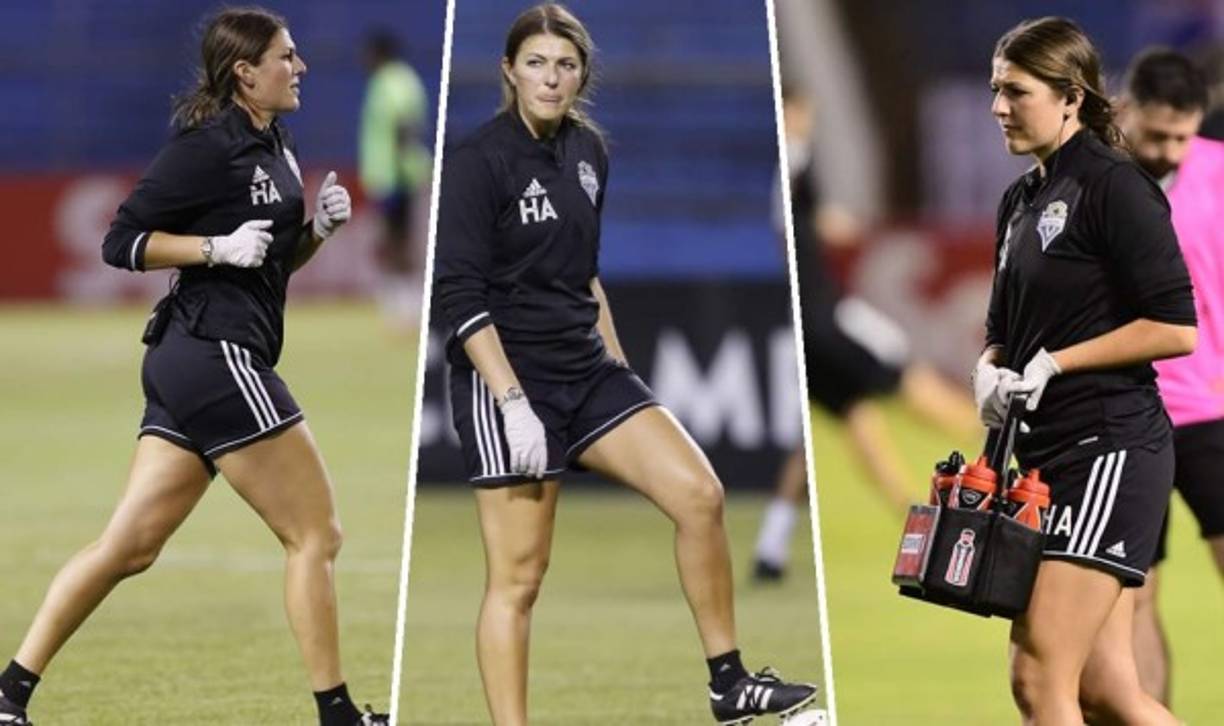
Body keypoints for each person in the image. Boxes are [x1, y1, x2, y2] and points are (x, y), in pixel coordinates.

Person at [432, 4, 818, 724]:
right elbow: (459, 296)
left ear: (583, 76)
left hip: (586, 370)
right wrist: (511, 401)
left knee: (700, 496)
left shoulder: (588, 152)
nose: (552, 78)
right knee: (520, 578)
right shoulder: (476, 160)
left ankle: (728, 684)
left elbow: (585, 275)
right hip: (507, 381)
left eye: (566, 65)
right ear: (510, 71)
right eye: (538, 63)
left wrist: (621, 372)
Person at [0, 9, 385, 725]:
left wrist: (317, 234)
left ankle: (6, 696)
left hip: (194, 360)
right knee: (316, 535)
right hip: (215, 354)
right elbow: (120, 240)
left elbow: (271, 262)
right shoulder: (207, 146)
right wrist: (209, 250)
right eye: (286, 56)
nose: (299, 67)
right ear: (246, 71)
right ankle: (338, 716)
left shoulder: (278, 144)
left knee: (130, 546)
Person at [977, 17, 1196, 725]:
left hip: (1108, 447)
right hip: (1044, 458)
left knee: (1039, 677)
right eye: (994, 89)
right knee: (1107, 693)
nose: (998, 107)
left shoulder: (1116, 188)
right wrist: (991, 371)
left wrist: (1055, 362)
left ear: (1071, 97)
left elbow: (1175, 327)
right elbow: (1002, 332)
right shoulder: (1020, 201)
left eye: (1016, 90)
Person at [753, 87, 979, 581]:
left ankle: (774, 544)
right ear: (791, 111)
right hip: (828, 314)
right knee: (910, 377)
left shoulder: (782, 171)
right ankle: (999, 451)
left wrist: (829, 227)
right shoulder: (793, 154)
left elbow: (803, 222)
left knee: (852, 418)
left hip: (801, 326)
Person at [1114, 47, 1224, 706]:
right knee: (1134, 594)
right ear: (1127, 110)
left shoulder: (1219, 173)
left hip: (1211, 406)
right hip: (1124, 412)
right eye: (1157, 135)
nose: (1171, 150)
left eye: (1184, 135)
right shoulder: (1092, 178)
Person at [359, 30, 432, 333]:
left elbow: (405, 126)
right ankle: (400, 305)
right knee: (393, 241)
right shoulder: (400, 79)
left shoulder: (392, 81)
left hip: (396, 177)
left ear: (379, 53)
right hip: (390, 175)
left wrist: (402, 169)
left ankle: (405, 307)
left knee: (397, 241)